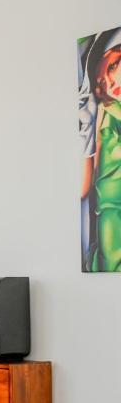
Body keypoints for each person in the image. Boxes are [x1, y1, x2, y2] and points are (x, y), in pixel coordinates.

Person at [80, 28, 121, 271]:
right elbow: (84, 186)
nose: (109, 82)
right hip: (109, 214)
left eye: (113, 66)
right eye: (100, 81)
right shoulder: (105, 113)